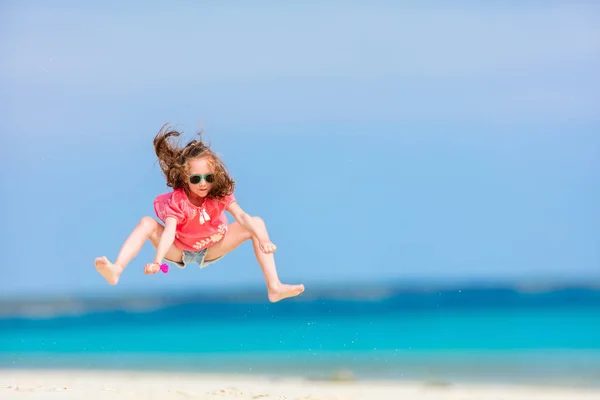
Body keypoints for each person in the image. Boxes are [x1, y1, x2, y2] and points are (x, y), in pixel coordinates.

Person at [94, 124, 305, 302]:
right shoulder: (178, 200)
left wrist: (263, 240)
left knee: (256, 222)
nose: (203, 184)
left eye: (208, 178)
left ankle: (274, 286)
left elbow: (241, 217)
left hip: (213, 247)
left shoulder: (219, 194)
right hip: (178, 250)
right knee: (147, 223)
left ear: (215, 175)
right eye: (196, 179)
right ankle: (117, 269)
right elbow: (168, 232)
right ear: (185, 178)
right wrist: (158, 261)